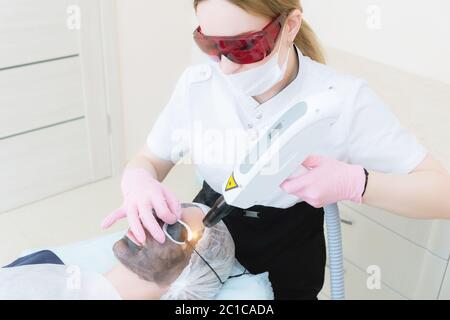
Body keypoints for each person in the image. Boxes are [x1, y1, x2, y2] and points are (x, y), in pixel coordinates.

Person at [102, 0, 450, 299]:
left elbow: (442, 193)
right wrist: (138, 180)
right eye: (211, 45)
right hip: (207, 229)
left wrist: (358, 184)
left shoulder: (343, 99)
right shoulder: (199, 84)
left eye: (244, 47)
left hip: (289, 243)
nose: (225, 66)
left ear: (290, 25)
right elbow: (149, 158)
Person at [1, 203, 235, 300]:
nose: (151, 223)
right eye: (160, 213)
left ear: (191, 279)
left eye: (175, 228)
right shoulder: (43, 261)